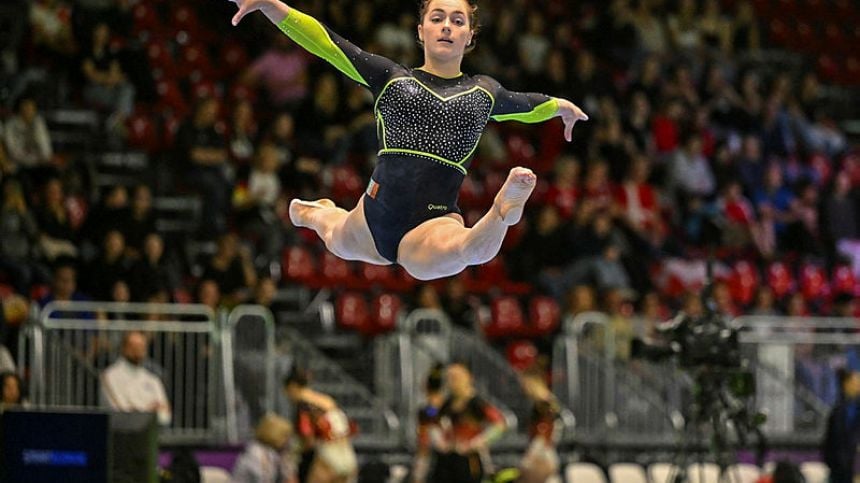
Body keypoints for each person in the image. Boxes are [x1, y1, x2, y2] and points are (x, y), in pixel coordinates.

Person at [227, 0, 588, 281]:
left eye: (458, 20)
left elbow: (527, 105)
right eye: (437, 18)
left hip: (432, 224)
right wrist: (271, 6)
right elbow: (327, 44)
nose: (446, 25)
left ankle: (502, 211)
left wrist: (560, 107)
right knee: (333, 233)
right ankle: (314, 211)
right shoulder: (391, 79)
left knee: (466, 250)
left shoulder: (484, 92)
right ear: (421, 30)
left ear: (470, 36)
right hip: (372, 221)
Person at [430, 362, 507, 483]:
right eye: (450, 377)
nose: (453, 381)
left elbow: (500, 424)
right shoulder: (445, 405)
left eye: (457, 377)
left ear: (469, 378)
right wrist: (439, 441)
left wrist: (477, 442)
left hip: (470, 460)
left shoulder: (477, 404)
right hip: (446, 460)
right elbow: (433, 424)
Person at [283, 367, 358, 483]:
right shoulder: (326, 400)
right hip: (345, 455)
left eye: (287, 391)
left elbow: (307, 437)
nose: (287, 396)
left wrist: (295, 453)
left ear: (292, 386)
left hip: (324, 458)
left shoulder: (304, 405)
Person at [100, 330, 171, 426]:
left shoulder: (153, 379)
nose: (138, 350)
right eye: (133, 346)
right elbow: (120, 412)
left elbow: (165, 416)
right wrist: (150, 410)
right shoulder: (109, 376)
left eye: (141, 346)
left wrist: (137, 410)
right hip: (120, 435)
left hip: (150, 435)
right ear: (124, 348)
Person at [517, 366, 561, 483]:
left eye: (524, 384)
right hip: (547, 454)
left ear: (533, 382)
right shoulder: (549, 402)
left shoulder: (543, 404)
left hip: (541, 457)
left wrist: (529, 458)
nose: (523, 388)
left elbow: (542, 434)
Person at [232, 413, 297, 483]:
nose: (289, 441)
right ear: (275, 434)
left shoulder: (274, 453)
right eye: (286, 436)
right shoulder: (256, 453)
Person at [822, 368, 860, 483]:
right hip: (838, 465)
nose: (857, 386)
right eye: (854, 383)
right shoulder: (837, 411)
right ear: (845, 384)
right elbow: (830, 439)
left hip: (853, 462)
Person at [413, 364, 446, 483]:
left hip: (440, 444)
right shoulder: (428, 406)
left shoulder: (435, 405)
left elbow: (433, 417)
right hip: (429, 443)